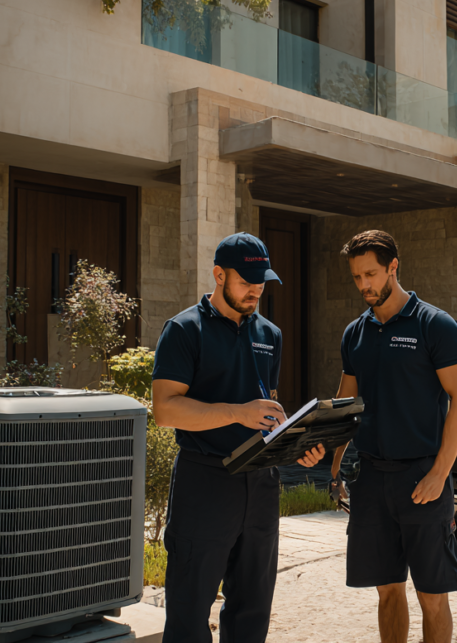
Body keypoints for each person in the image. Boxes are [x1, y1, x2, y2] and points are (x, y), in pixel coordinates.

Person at [152, 232, 325, 643]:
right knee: (189, 611)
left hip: (260, 484)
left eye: (261, 281)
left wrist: (293, 445)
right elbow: (165, 410)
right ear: (219, 275)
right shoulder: (184, 330)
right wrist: (237, 412)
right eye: (246, 281)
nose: (256, 290)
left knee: (252, 609)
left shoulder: (270, 334)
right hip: (204, 482)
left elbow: (267, 411)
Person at [329, 230, 457, 643]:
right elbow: (345, 404)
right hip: (372, 479)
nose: (364, 285)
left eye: (371, 274)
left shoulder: (435, 325)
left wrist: (438, 474)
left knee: (432, 595)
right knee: (387, 591)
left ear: (393, 267)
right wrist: (334, 467)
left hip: (422, 477)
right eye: (357, 277)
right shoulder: (355, 333)